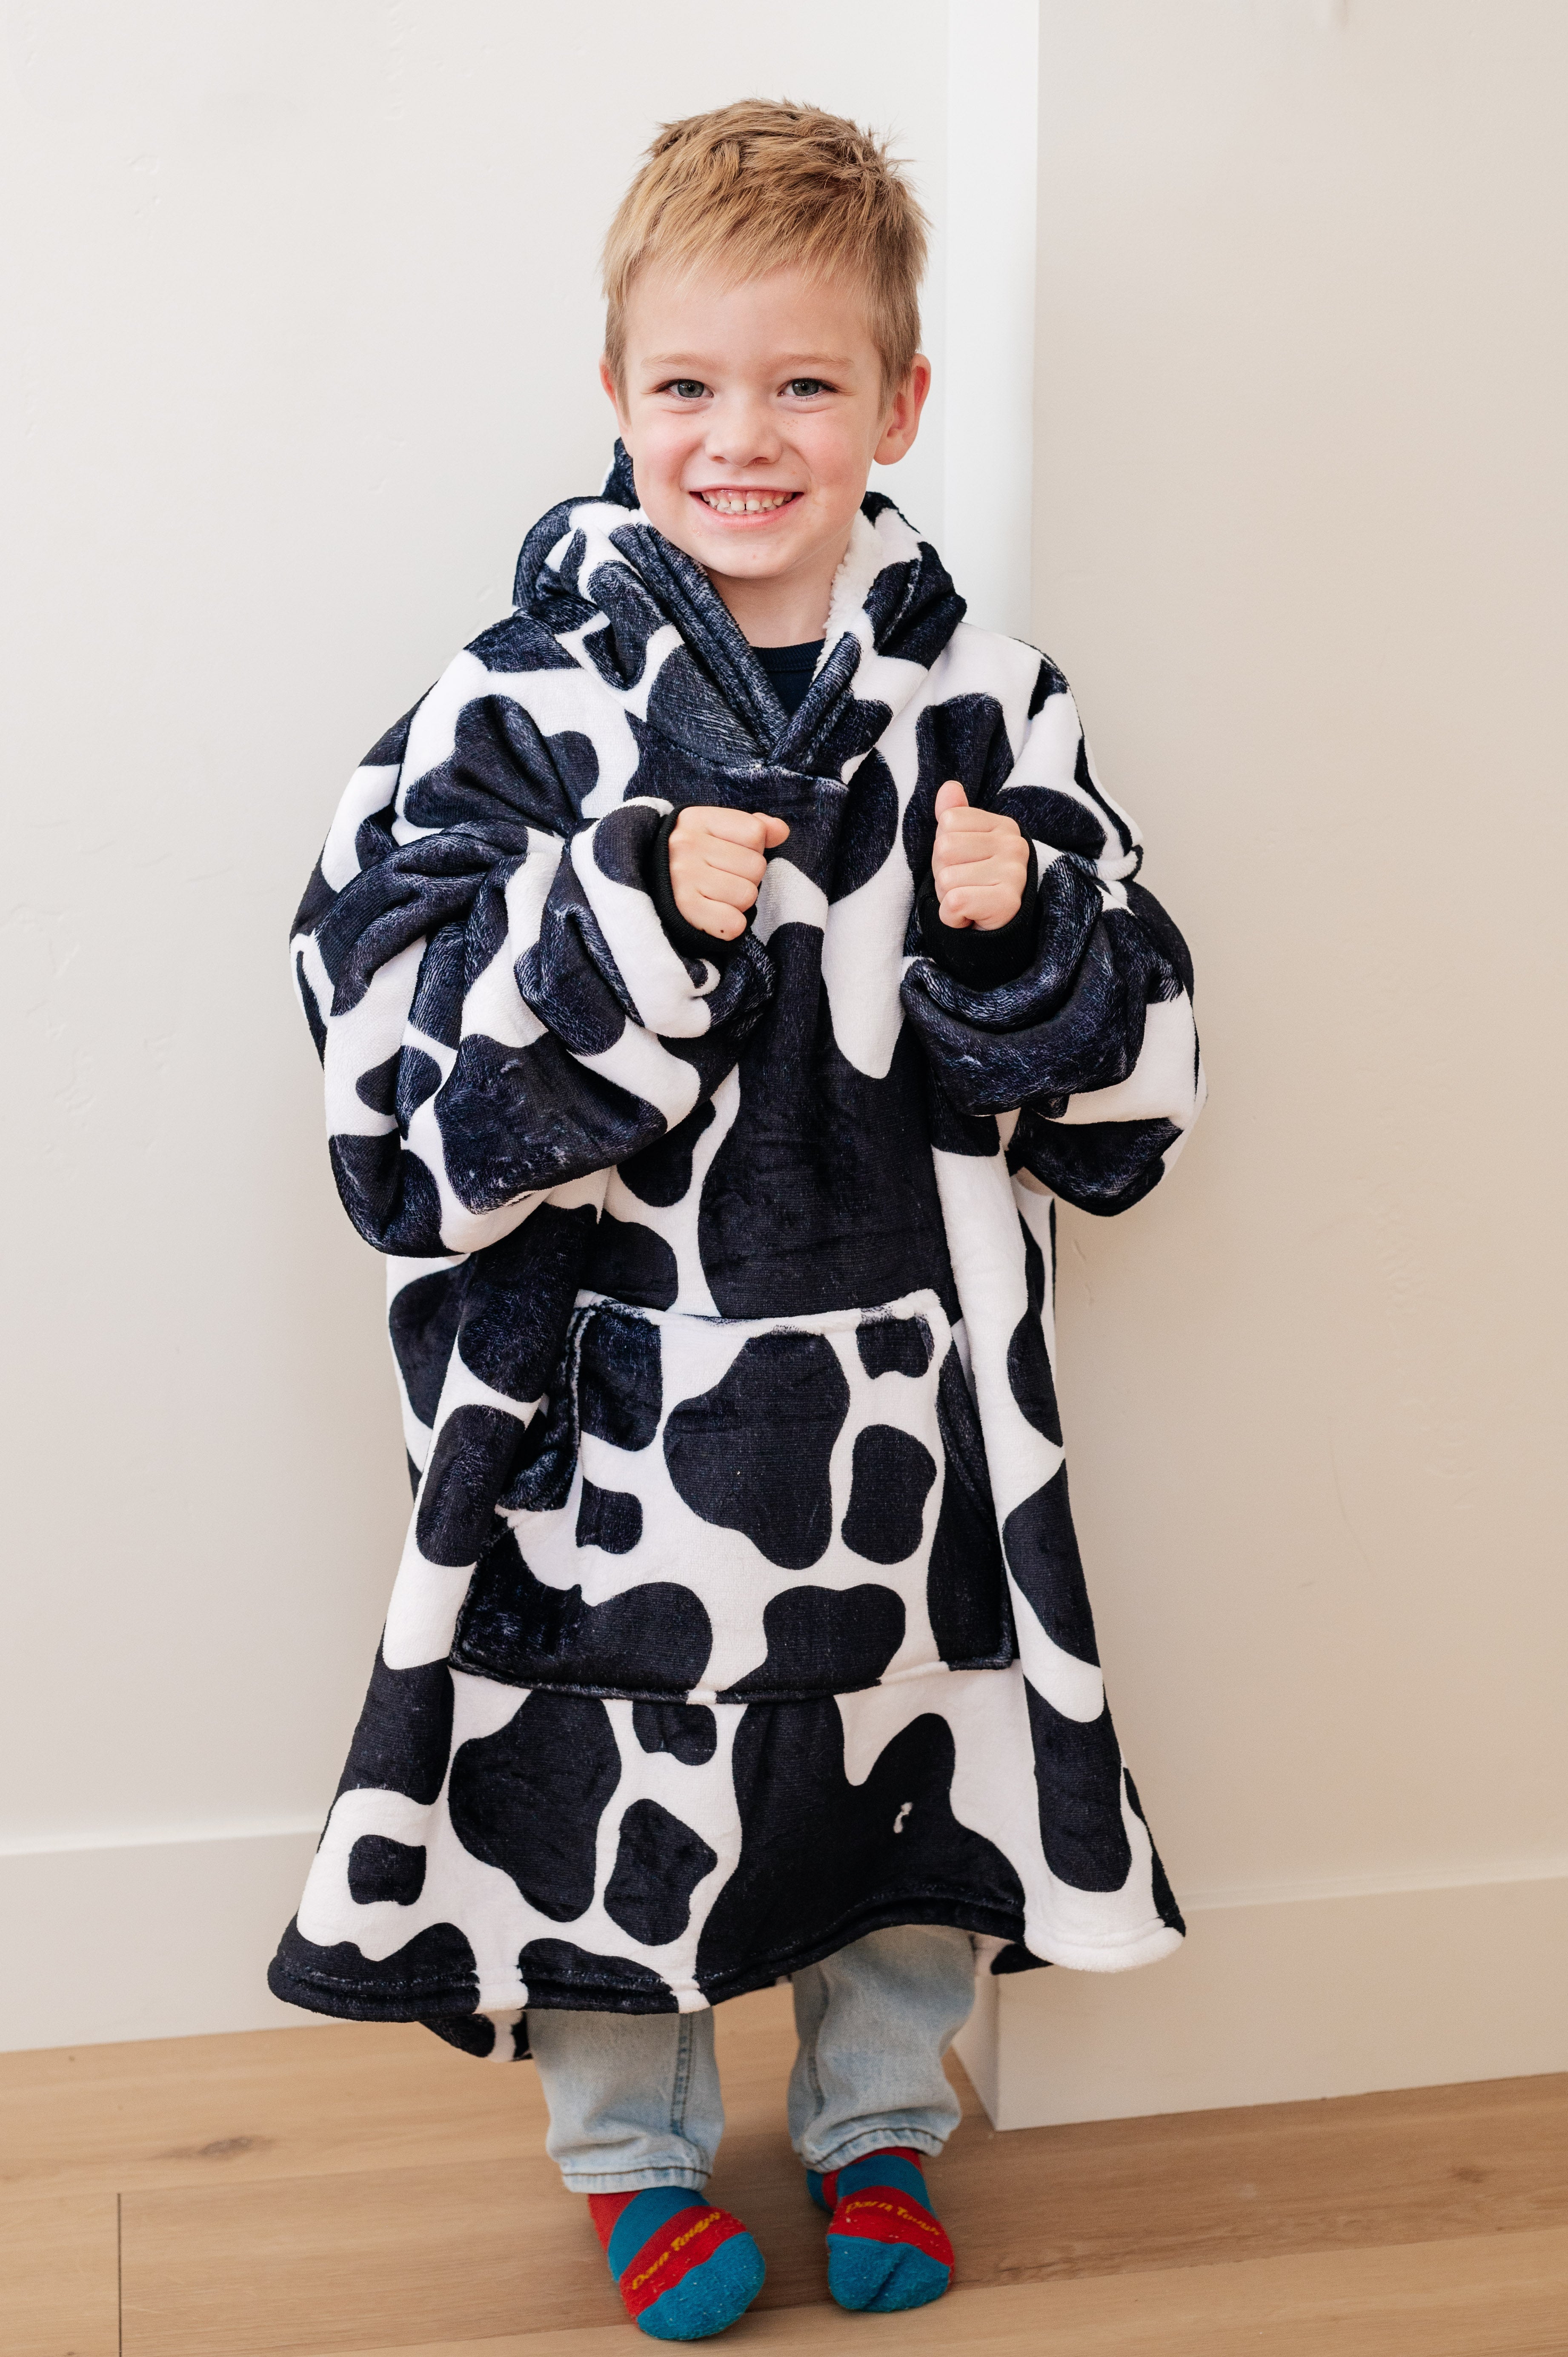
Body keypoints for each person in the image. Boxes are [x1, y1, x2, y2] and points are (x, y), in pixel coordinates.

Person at [270, 98, 1204, 2342]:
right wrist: (618, 913)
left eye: (804, 383)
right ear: (612, 393)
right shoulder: (516, 705)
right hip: (609, 1394)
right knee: (612, 1757)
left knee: (906, 1751)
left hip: (905, 1384)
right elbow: (375, 1038)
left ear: (899, 402)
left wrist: (1020, 925)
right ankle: (634, 2156)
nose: (743, 436)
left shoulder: (984, 703)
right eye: (688, 383)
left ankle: (879, 2116)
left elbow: (1135, 1076)